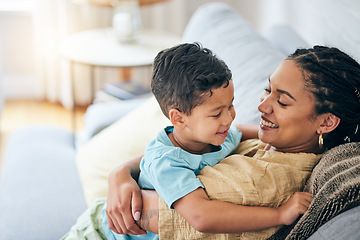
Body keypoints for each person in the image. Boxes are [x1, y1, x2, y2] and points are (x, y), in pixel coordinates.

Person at [61, 43, 314, 240]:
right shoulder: (168, 162)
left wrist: (276, 137)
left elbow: (247, 131)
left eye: (231, 105)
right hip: (99, 233)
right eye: (217, 113)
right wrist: (279, 214)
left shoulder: (217, 135)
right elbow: (201, 216)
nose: (228, 118)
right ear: (178, 119)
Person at [104, 46, 360, 239]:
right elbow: (183, 149)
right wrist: (121, 172)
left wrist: (280, 214)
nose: (261, 106)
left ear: (326, 123)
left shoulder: (264, 180)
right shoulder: (268, 141)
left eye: (282, 101)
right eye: (267, 89)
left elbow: (157, 212)